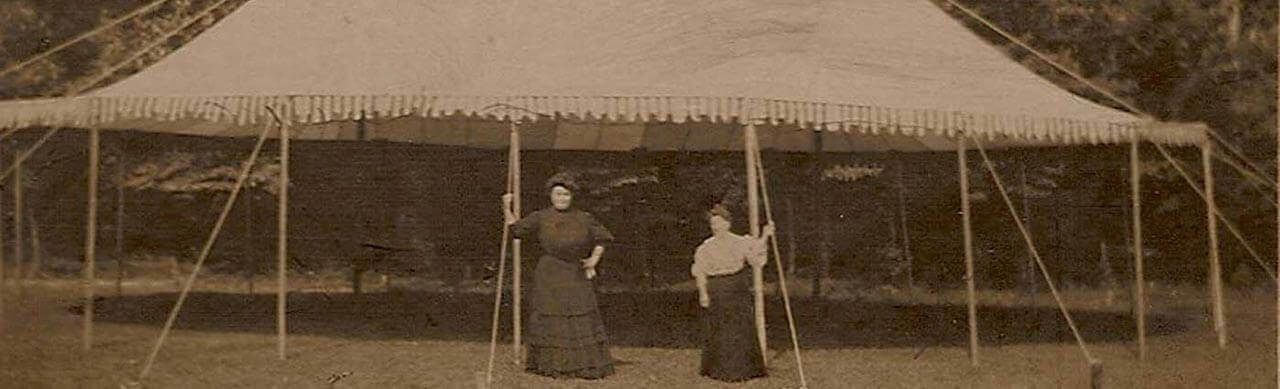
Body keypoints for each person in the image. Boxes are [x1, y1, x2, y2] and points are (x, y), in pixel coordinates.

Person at [502, 174, 616, 380]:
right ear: (551, 196)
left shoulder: (584, 218)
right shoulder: (541, 216)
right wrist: (506, 208)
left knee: (578, 314)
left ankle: (581, 364)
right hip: (549, 273)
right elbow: (516, 230)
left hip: (575, 272)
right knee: (551, 315)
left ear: (572, 196)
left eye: (566, 194)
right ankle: (551, 364)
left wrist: (593, 260)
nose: (562, 198)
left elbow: (603, 238)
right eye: (558, 194)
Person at [691, 203, 774, 382]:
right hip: (717, 288)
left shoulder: (740, 242)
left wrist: (766, 235)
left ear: (727, 224)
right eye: (713, 224)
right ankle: (719, 369)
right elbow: (700, 271)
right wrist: (703, 293)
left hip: (736, 287)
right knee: (720, 328)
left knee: (740, 327)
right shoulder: (706, 247)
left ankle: (744, 369)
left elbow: (755, 256)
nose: (716, 227)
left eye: (719, 223)